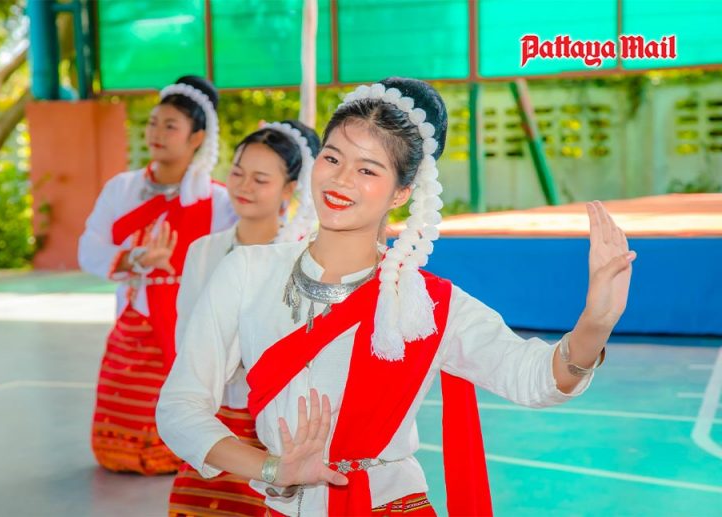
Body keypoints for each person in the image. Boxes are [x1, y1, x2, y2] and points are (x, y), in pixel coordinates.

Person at [157, 77, 636, 515]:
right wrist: (272, 469)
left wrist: (594, 324)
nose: (341, 180)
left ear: (402, 192)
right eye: (332, 158)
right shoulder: (246, 272)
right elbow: (180, 408)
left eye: (368, 170)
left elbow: (534, 377)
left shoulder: (430, 304)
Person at [78, 75, 235, 475]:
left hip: (188, 324)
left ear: (196, 137)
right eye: (152, 123)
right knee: (124, 398)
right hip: (133, 318)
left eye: (170, 126)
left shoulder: (218, 200)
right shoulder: (121, 188)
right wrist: (135, 259)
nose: (156, 133)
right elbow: (89, 249)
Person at [168, 120, 320, 516]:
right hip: (214, 413)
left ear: (289, 189)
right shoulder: (203, 250)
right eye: (237, 173)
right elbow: (187, 334)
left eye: (261, 179)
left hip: (275, 418)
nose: (244, 186)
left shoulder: (303, 258)